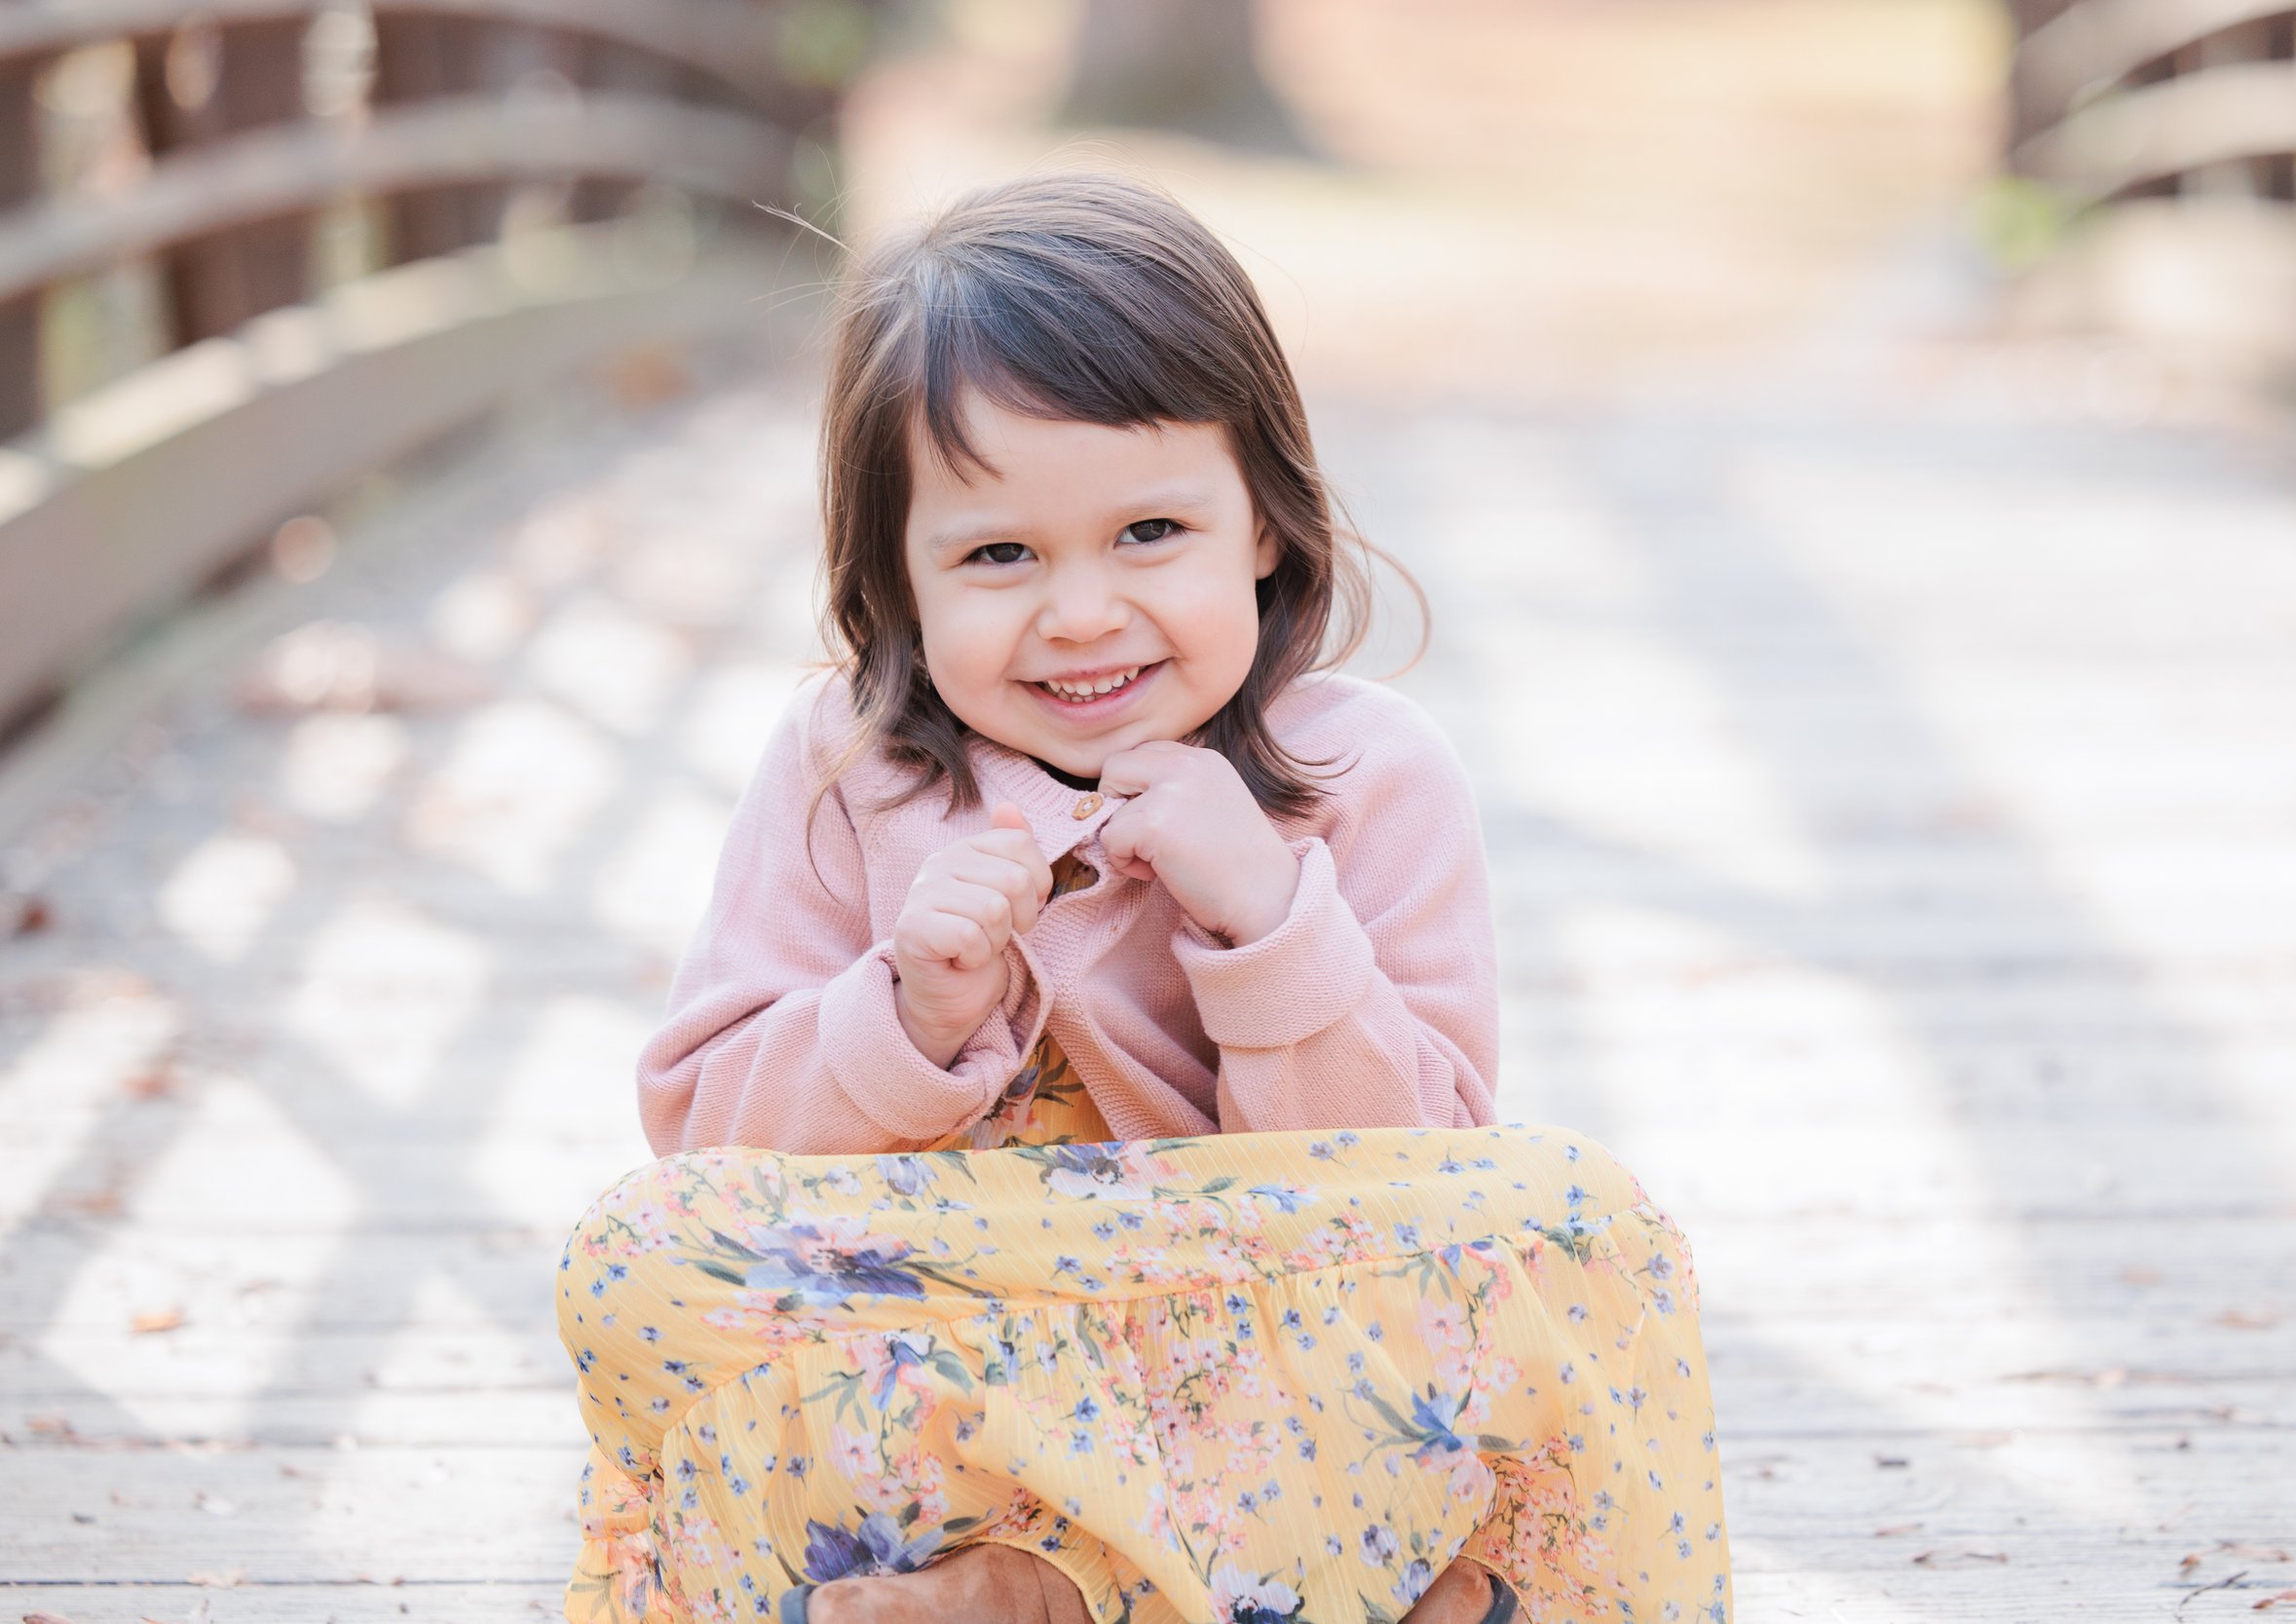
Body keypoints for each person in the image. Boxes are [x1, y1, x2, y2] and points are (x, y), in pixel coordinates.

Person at [554, 170, 1731, 1624]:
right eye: (998, 556)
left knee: (1575, 1219)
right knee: (637, 1257)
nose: (1083, 612)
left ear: (1264, 525)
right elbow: (705, 1133)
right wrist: (908, 1016)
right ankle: (1117, 1580)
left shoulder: (1363, 774)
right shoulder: (845, 771)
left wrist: (1269, 926)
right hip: (967, 1360)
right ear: (899, 584)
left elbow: (1421, 1186)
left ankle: (1075, 1597)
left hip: (1277, 1369)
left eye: (1150, 536)